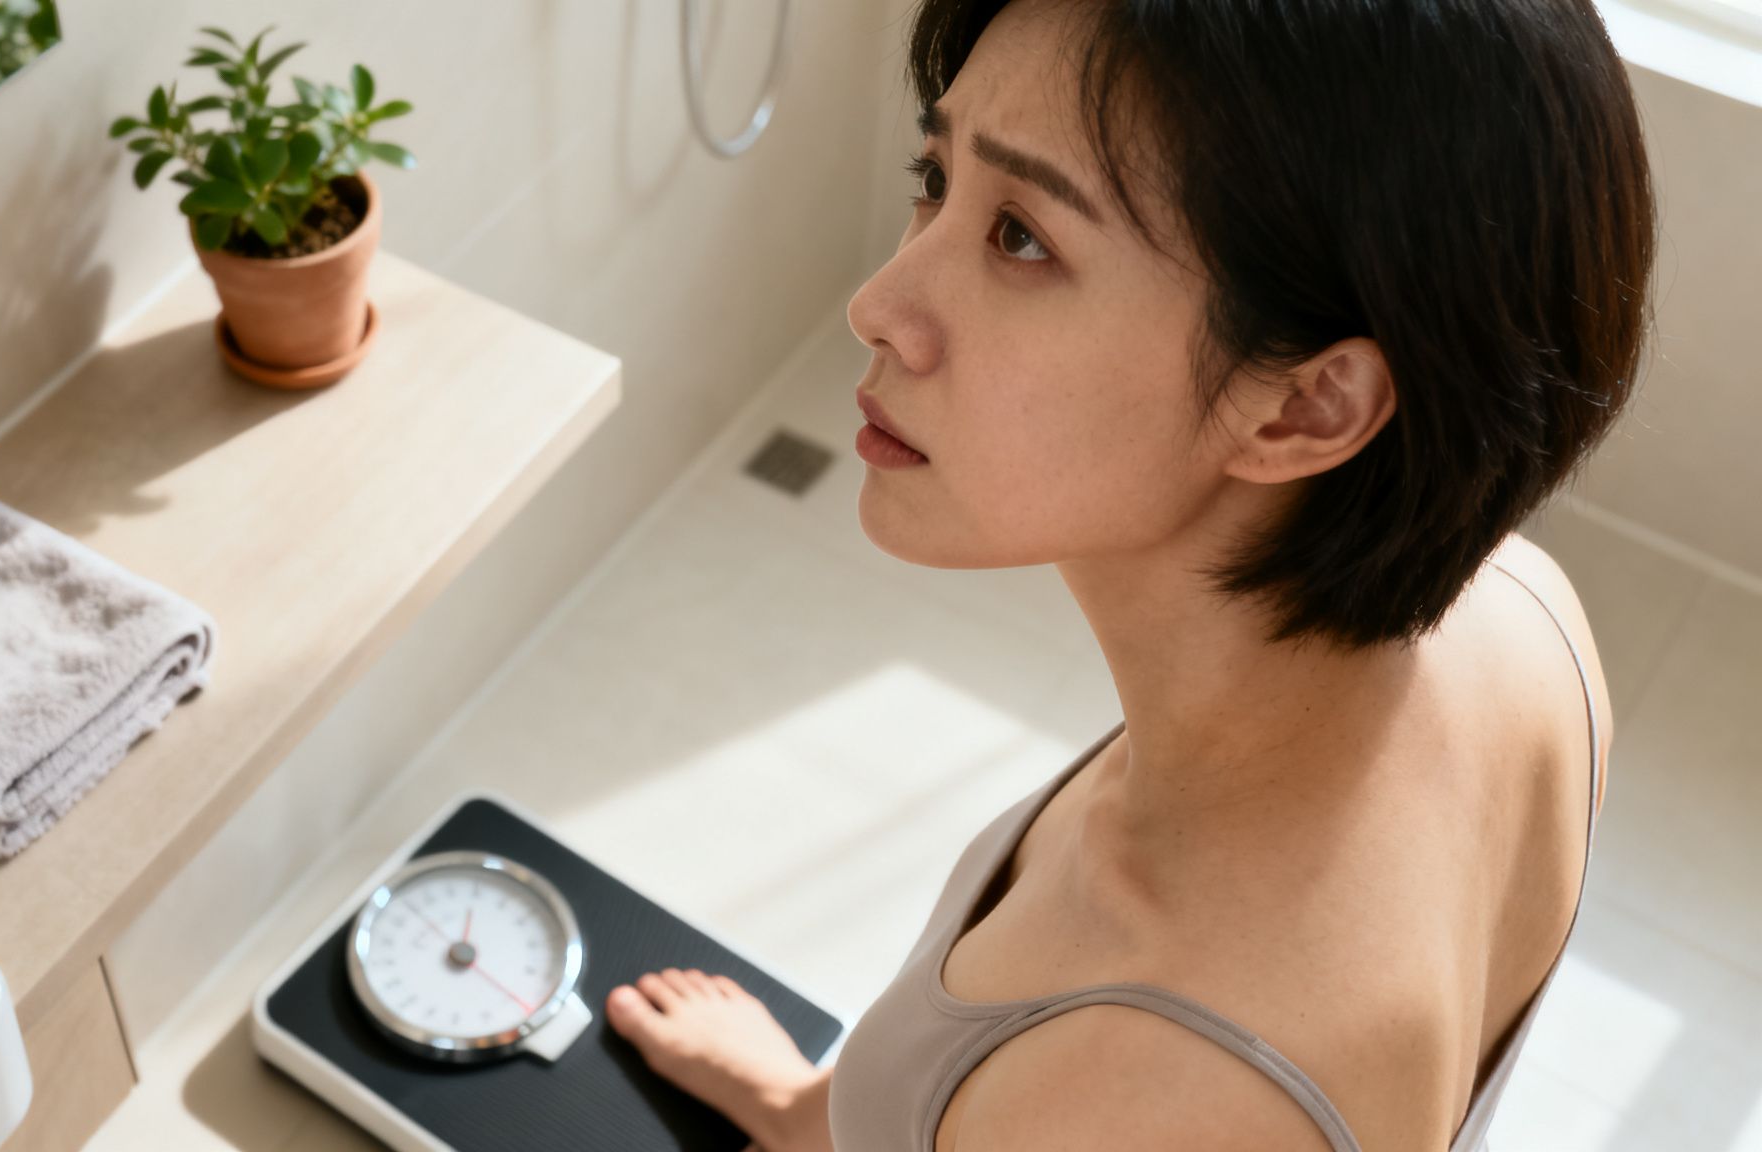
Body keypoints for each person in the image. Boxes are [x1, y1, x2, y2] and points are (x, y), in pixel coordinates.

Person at [603, 0, 1653, 1148]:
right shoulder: (1518, 612)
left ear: (1306, 405)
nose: (879, 307)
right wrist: (820, 1109)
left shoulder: (1151, 1095)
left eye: (1021, 239)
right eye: (933, 174)